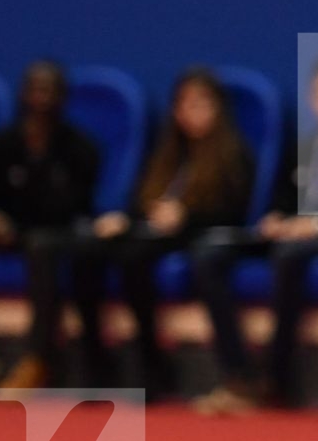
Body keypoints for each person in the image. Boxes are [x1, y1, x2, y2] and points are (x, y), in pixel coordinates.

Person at [191, 56, 318, 413]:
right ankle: (239, 373)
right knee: (210, 252)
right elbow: (282, 199)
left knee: (289, 254)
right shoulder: (302, 149)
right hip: (290, 233)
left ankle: (276, 377)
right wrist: (276, 219)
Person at [56, 68, 252, 396]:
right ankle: (95, 363)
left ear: (219, 109)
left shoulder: (234, 154)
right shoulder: (167, 153)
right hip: (151, 230)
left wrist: (186, 216)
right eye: (185, 104)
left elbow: (234, 213)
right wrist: (124, 219)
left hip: (194, 233)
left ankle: (152, 362)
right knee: (86, 251)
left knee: (134, 258)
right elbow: (144, 201)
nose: (193, 113)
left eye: (202, 104)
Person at [0, 61, 101, 390]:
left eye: (49, 91)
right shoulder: (2, 145)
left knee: (43, 246)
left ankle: (37, 358)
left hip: (56, 233)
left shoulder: (81, 148)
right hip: (5, 234)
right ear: (22, 94)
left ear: (63, 97)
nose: (41, 99)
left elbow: (73, 206)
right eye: (35, 89)